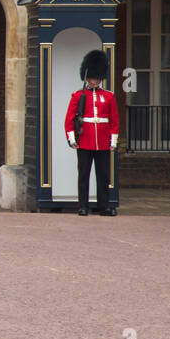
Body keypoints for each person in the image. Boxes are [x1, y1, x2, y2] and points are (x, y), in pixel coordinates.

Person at [64, 48, 118, 217]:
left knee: (103, 176)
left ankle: (104, 206)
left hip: (102, 141)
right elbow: (69, 119)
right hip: (85, 140)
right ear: (87, 78)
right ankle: (83, 206)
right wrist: (72, 138)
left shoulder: (108, 96)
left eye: (96, 78)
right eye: (91, 78)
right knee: (84, 175)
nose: (94, 81)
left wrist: (113, 141)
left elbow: (114, 120)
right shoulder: (78, 95)